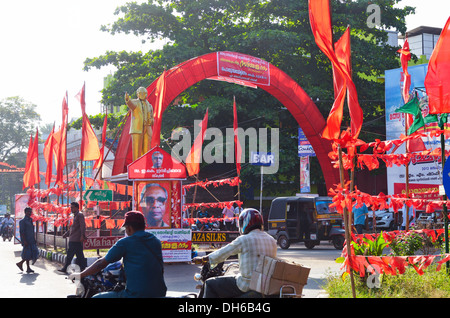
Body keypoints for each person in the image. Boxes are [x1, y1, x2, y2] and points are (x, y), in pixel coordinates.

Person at [69, 211, 167, 298]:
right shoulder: (155, 241)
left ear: (128, 228)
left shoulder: (125, 243)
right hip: (159, 293)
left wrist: (80, 274)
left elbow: (101, 264)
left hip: (136, 295)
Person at [193, 208, 277, 298]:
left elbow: (224, 252)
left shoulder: (244, 239)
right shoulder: (272, 240)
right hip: (264, 285)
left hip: (246, 285)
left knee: (209, 284)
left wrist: (204, 259)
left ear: (244, 223)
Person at [125, 87, 154, 161]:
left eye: (144, 93)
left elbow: (152, 119)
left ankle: (146, 168)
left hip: (147, 129)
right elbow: (130, 104)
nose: (142, 95)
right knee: (136, 152)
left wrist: (151, 121)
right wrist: (127, 100)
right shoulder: (135, 102)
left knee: (147, 151)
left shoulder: (150, 105)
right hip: (137, 129)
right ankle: (136, 168)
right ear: (137, 94)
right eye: (140, 93)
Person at [58, 202, 87, 274]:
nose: (71, 209)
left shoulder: (79, 215)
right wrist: (67, 234)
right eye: (71, 207)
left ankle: (65, 268)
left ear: (77, 208)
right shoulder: (75, 216)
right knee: (79, 255)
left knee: (70, 255)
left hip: (75, 239)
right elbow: (73, 228)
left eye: (72, 207)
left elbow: (82, 226)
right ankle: (83, 268)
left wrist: (82, 235)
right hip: (74, 238)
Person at [16, 207, 39, 273]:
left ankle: (23, 265)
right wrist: (24, 241)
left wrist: (34, 238)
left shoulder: (30, 220)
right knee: (28, 254)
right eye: (28, 212)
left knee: (33, 253)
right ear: (25, 212)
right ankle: (24, 265)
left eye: (30, 212)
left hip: (31, 239)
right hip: (26, 240)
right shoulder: (22, 221)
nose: (29, 213)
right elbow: (22, 232)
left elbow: (32, 230)